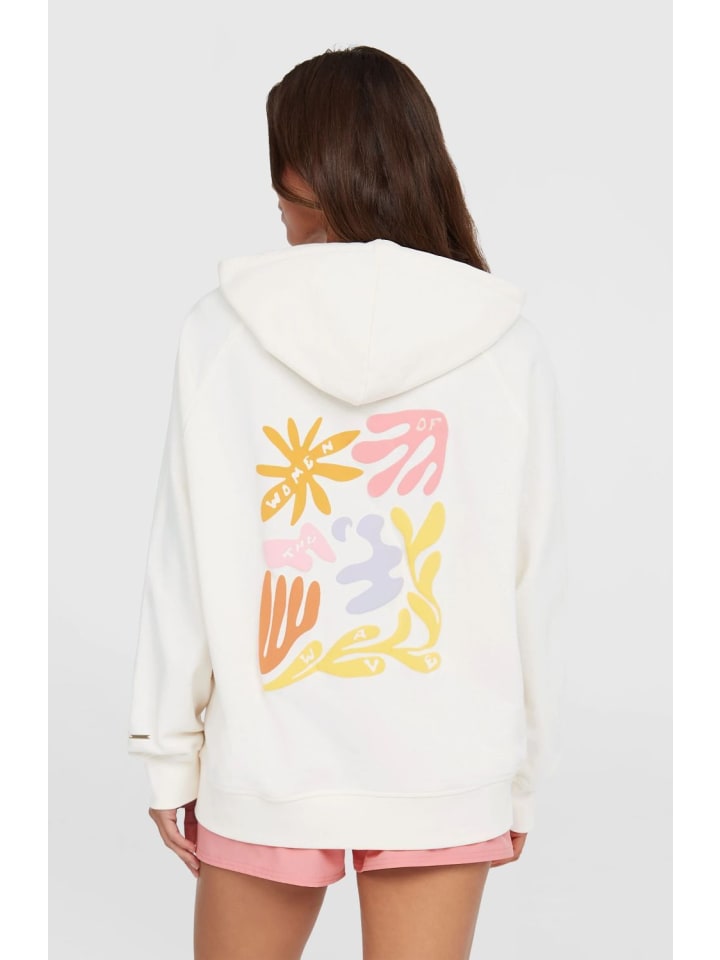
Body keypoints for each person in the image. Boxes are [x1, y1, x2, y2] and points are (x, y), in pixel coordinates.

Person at [127, 45, 568, 960]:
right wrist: (520, 776)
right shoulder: (504, 343)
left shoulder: (221, 330)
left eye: (280, 182)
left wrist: (169, 752)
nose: (277, 205)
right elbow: (534, 579)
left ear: (310, 178)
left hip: (269, 760)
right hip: (446, 766)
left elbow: (185, 561)